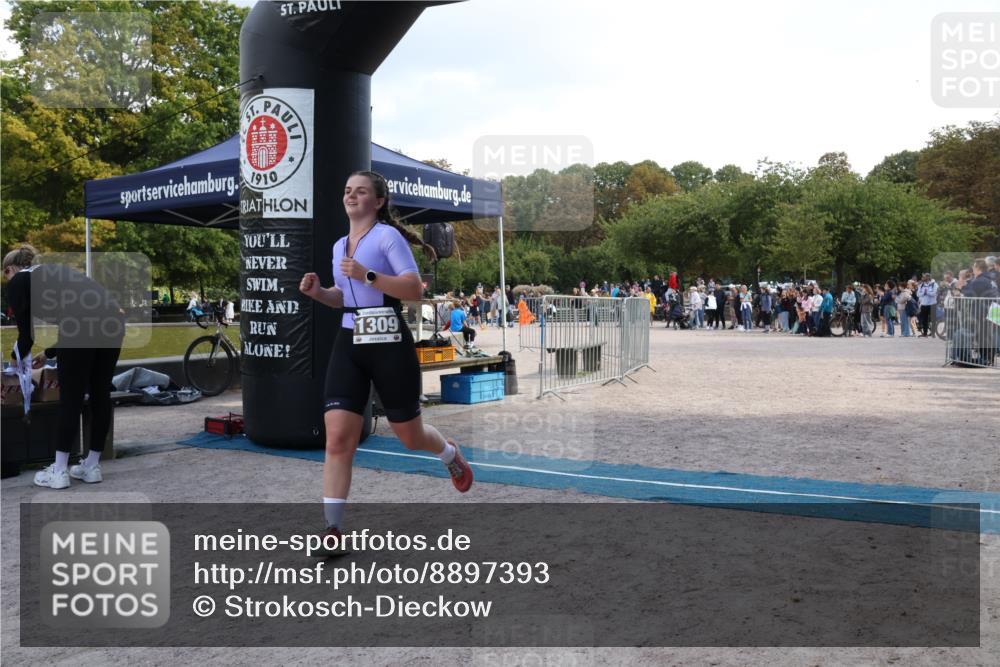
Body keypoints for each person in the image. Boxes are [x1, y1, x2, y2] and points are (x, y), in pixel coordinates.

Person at [298, 171, 474, 554]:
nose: (352, 196)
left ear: (377, 201)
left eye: (361, 191)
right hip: (349, 342)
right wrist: (318, 293)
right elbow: (342, 298)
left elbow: (413, 289)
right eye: (347, 191)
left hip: (389, 341)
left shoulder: (387, 237)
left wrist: (368, 274)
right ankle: (333, 529)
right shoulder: (338, 245)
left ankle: (449, 453)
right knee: (338, 439)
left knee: (410, 436)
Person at [3, 244, 125, 489]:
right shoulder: (55, 271)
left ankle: (58, 471)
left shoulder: (17, 282)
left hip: (81, 327)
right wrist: (49, 353)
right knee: (100, 393)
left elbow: (26, 336)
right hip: (113, 321)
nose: (5, 279)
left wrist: (14, 361)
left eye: (4, 273)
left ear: (10, 269)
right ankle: (91, 466)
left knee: (71, 398)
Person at [915, 273, 938, 337]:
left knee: (932, 320)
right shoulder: (921, 285)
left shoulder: (934, 284)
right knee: (924, 319)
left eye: (924, 277)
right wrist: (924, 293)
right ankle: (925, 333)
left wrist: (927, 292)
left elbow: (934, 293)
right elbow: (918, 294)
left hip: (932, 304)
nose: (922, 278)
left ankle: (933, 333)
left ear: (928, 277)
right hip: (924, 304)